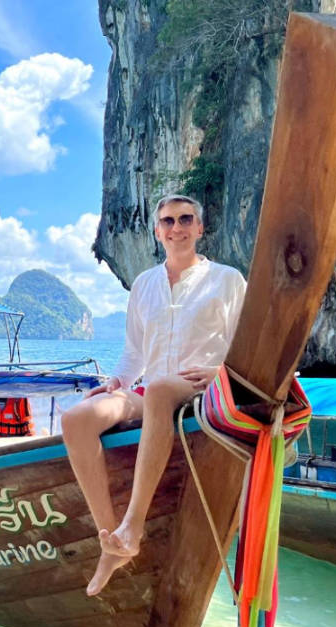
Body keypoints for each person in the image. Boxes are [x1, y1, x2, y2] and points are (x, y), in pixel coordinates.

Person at [62, 194, 246, 596]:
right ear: (157, 230)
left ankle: (135, 524)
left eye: (185, 220)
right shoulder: (145, 284)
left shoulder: (227, 279)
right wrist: (116, 382)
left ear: (200, 228)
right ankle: (110, 541)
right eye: (167, 221)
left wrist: (220, 371)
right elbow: (134, 351)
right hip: (153, 387)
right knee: (76, 419)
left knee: (162, 388)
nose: (176, 228)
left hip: (203, 387)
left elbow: (246, 344)